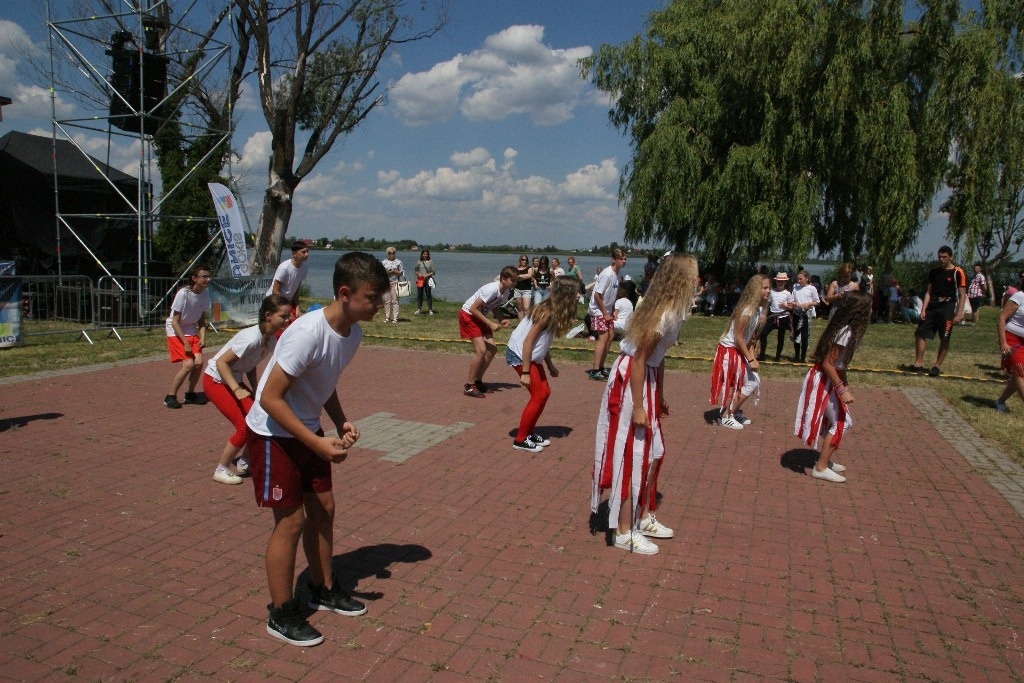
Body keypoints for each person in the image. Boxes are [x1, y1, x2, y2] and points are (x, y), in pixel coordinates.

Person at [245, 251, 388, 646]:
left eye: (381, 297)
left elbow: (324, 381)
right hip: (273, 434)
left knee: (324, 509)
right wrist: (316, 443)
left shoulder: (352, 334)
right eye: (372, 297)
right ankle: (281, 612)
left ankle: (322, 588)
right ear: (345, 293)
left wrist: (340, 420)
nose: (379, 304)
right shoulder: (307, 332)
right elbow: (269, 398)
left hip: (308, 430)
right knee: (290, 523)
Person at [591, 253, 698, 555]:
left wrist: (659, 395)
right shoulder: (663, 313)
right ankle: (623, 530)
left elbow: (657, 358)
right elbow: (639, 359)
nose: (697, 282)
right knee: (632, 454)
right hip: (631, 380)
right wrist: (639, 406)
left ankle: (643, 515)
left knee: (655, 453)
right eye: (693, 276)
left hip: (645, 378)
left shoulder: (673, 310)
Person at [203, 294, 292, 484]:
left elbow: (250, 365)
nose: (287, 320)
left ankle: (244, 461)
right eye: (283, 316)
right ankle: (221, 469)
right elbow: (221, 363)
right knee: (243, 427)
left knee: (257, 418)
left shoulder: (270, 339)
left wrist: (255, 389)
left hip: (233, 379)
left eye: (288, 316)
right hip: (215, 379)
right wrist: (237, 390)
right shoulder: (251, 338)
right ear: (268, 316)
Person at [794, 290, 872, 483]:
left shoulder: (846, 329)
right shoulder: (845, 332)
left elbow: (839, 364)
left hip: (828, 378)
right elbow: (828, 363)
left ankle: (825, 460)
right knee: (842, 422)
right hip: (823, 379)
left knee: (837, 421)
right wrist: (841, 389)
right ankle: (820, 467)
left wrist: (844, 382)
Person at [505, 277, 579, 452]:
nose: (578, 295)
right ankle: (520, 439)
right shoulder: (547, 313)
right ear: (566, 294)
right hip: (520, 354)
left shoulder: (553, 310)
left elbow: (542, 343)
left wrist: (550, 365)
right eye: (576, 292)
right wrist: (525, 373)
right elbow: (528, 342)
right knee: (538, 395)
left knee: (544, 393)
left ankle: (529, 432)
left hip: (531, 356)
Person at [711, 274, 769, 429]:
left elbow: (749, 339)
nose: (768, 291)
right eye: (765, 288)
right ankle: (726, 416)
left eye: (769, 288)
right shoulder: (748, 310)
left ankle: (733, 411)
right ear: (756, 290)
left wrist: (752, 357)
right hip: (729, 350)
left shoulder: (757, 310)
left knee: (751, 381)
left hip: (738, 350)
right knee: (747, 382)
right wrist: (750, 359)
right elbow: (738, 337)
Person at [908, 245, 967, 376]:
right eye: (940, 257)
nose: (941, 259)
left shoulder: (958, 272)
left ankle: (937, 366)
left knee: (944, 337)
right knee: (920, 333)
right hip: (932, 306)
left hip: (947, 307)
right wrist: (923, 309)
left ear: (950, 257)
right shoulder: (934, 272)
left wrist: (958, 313)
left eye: (944, 257)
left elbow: (962, 294)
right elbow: (928, 292)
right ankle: (918, 363)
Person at [460, 266, 517, 397]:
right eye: (512, 280)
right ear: (503, 279)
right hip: (469, 315)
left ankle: (478, 381)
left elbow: (494, 306)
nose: (514, 283)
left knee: (492, 349)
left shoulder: (505, 292)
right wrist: (490, 323)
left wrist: (501, 319)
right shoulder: (491, 289)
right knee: (481, 350)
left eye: (515, 281)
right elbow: (473, 308)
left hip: (480, 316)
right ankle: (469, 386)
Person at [164, 264, 212, 409]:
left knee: (199, 362)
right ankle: (170, 396)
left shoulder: (205, 293)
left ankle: (190, 394)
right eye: (204, 277)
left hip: (190, 329)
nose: (208, 280)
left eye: (209, 276)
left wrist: (203, 337)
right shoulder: (183, 293)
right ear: (194, 278)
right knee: (188, 364)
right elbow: (175, 321)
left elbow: (202, 320)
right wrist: (185, 343)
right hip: (176, 330)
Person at [587, 249, 627, 380]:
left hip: (607, 310)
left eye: (625, 259)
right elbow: (597, 295)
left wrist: (613, 310)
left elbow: (613, 294)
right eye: (621, 259)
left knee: (610, 336)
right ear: (613, 260)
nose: (624, 261)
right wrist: (604, 313)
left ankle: (601, 366)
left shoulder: (618, 274)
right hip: (598, 310)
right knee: (603, 337)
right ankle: (595, 370)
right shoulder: (607, 274)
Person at [994, 270, 1024, 413]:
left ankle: (1000, 401)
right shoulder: (1019, 296)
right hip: (1012, 337)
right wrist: (1003, 343)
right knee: (1019, 370)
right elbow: (1001, 318)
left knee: (1018, 375)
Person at [266, 240, 311, 321]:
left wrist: (297, 308)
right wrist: (287, 310)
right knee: (285, 322)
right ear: (294, 253)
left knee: (299, 320)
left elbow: (296, 290)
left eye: (307, 252)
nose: (307, 254)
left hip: (287, 302)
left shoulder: (304, 268)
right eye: (303, 252)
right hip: (274, 300)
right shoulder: (284, 267)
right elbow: (275, 291)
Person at [758, 272, 794, 362]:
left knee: (780, 337)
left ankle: (777, 357)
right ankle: (762, 355)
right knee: (763, 333)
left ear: (785, 282)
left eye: (782, 282)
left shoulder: (787, 293)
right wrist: (763, 315)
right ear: (776, 282)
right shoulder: (772, 292)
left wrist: (785, 306)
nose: (780, 283)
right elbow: (767, 304)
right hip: (773, 316)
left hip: (783, 317)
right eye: (778, 281)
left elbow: (791, 307)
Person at [791, 270, 820, 362]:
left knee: (804, 336)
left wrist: (808, 304)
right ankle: (796, 356)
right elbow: (791, 300)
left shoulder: (812, 288)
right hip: (797, 313)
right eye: (798, 279)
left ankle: (803, 357)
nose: (799, 281)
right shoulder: (795, 288)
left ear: (806, 278)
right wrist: (796, 304)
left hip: (806, 315)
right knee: (796, 335)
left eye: (801, 279)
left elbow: (817, 302)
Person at [380, 247, 404, 324]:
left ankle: (395, 318)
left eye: (393, 253)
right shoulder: (384, 262)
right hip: (386, 283)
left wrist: (394, 271)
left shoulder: (399, 262)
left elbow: (401, 273)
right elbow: (380, 273)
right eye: (389, 253)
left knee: (395, 301)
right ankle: (387, 318)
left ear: (395, 253)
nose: (391, 254)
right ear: (387, 254)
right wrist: (386, 272)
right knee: (387, 301)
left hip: (395, 283)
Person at [413, 249, 436, 315]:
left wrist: (427, 275)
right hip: (420, 281)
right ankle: (419, 309)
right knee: (420, 295)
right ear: (422, 255)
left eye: (426, 254)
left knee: (428, 294)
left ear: (428, 255)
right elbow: (416, 271)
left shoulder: (431, 262)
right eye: (424, 254)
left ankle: (430, 310)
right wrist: (418, 274)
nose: (425, 255)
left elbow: (433, 272)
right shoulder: (419, 262)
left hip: (428, 281)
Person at [513, 254, 534, 320]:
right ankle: (521, 323)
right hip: (517, 290)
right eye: (523, 259)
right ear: (520, 260)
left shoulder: (529, 268)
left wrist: (519, 276)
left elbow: (529, 275)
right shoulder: (516, 269)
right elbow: (514, 277)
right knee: (519, 308)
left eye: (526, 260)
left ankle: (527, 322)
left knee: (526, 308)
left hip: (526, 290)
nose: (524, 261)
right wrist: (523, 277)